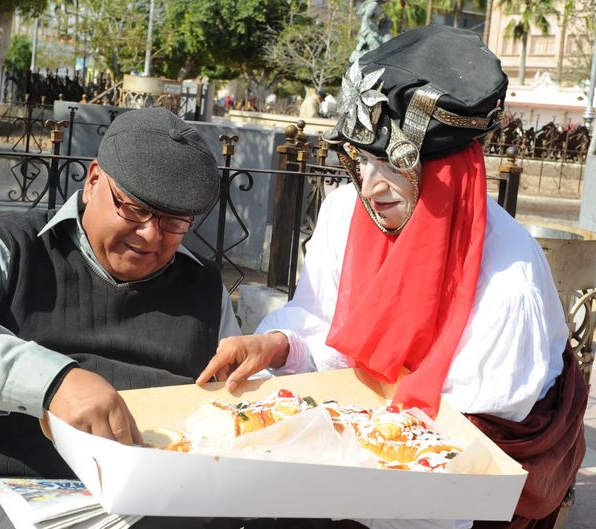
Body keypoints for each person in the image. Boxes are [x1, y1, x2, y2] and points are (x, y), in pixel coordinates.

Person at [197, 25, 587, 529]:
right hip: (352, 471)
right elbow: (327, 336)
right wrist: (275, 346)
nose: (369, 186)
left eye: (392, 164)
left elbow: (468, 449)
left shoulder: (510, 276)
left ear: (448, 172)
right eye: (362, 159)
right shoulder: (345, 213)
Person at [0, 107, 241, 529]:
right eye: (135, 210)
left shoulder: (205, 286)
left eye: (174, 222)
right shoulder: (10, 247)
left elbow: (242, 414)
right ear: (94, 180)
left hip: (158, 506)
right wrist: (54, 383)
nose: (150, 235)